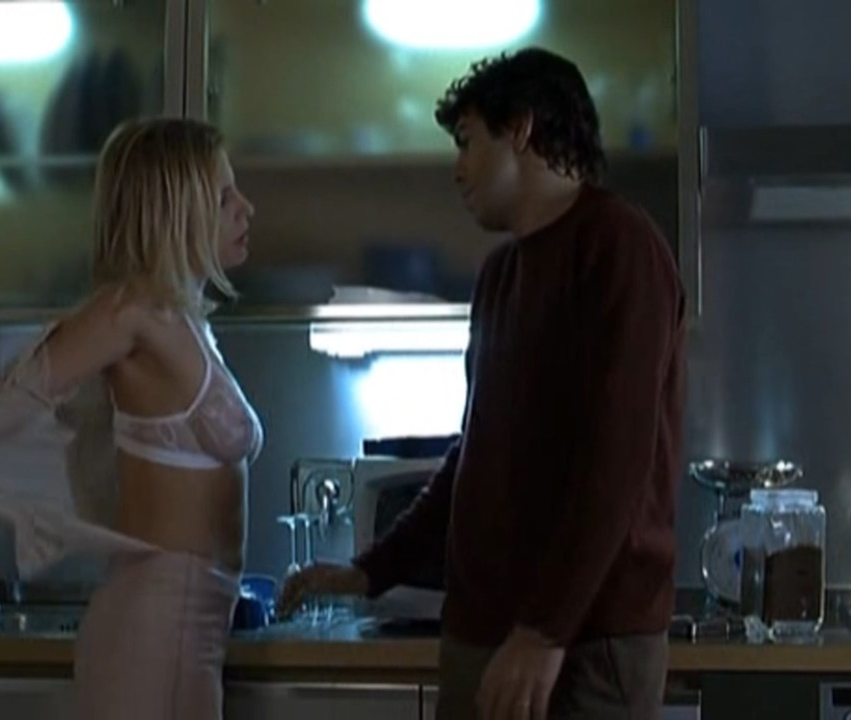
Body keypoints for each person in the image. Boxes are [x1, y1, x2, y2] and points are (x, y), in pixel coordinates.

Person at [280, 48, 687, 720]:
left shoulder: (618, 245)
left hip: (585, 638)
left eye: (467, 142)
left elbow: (617, 461)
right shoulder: (500, 276)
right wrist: (372, 569)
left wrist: (545, 631)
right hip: (487, 629)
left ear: (520, 129)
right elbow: (477, 454)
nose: (457, 169)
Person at [0, 117, 262, 719]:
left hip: (192, 631)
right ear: (177, 210)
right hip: (154, 629)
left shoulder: (188, 323)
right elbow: (13, 394)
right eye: (223, 197)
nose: (246, 208)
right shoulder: (130, 311)